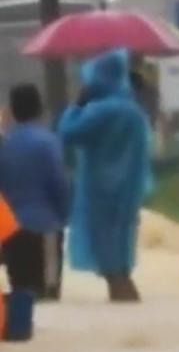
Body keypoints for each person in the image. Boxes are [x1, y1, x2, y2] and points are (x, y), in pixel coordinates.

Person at [58, 48, 153, 303]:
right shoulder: (133, 112)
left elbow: (67, 133)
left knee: (108, 260)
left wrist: (76, 104)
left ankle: (122, 301)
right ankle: (128, 305)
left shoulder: (99, 111)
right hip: (129, 190)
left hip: (99, 191)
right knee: (121, 253)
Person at [0, 84, 68, 300]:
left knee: (21, 295)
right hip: (44, 228)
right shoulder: (48, 143)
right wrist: (63, 217)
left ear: (11, 110)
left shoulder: (5, 145)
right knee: (48, 296)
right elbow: (60, 184)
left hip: (12, 233)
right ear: (40, 108)